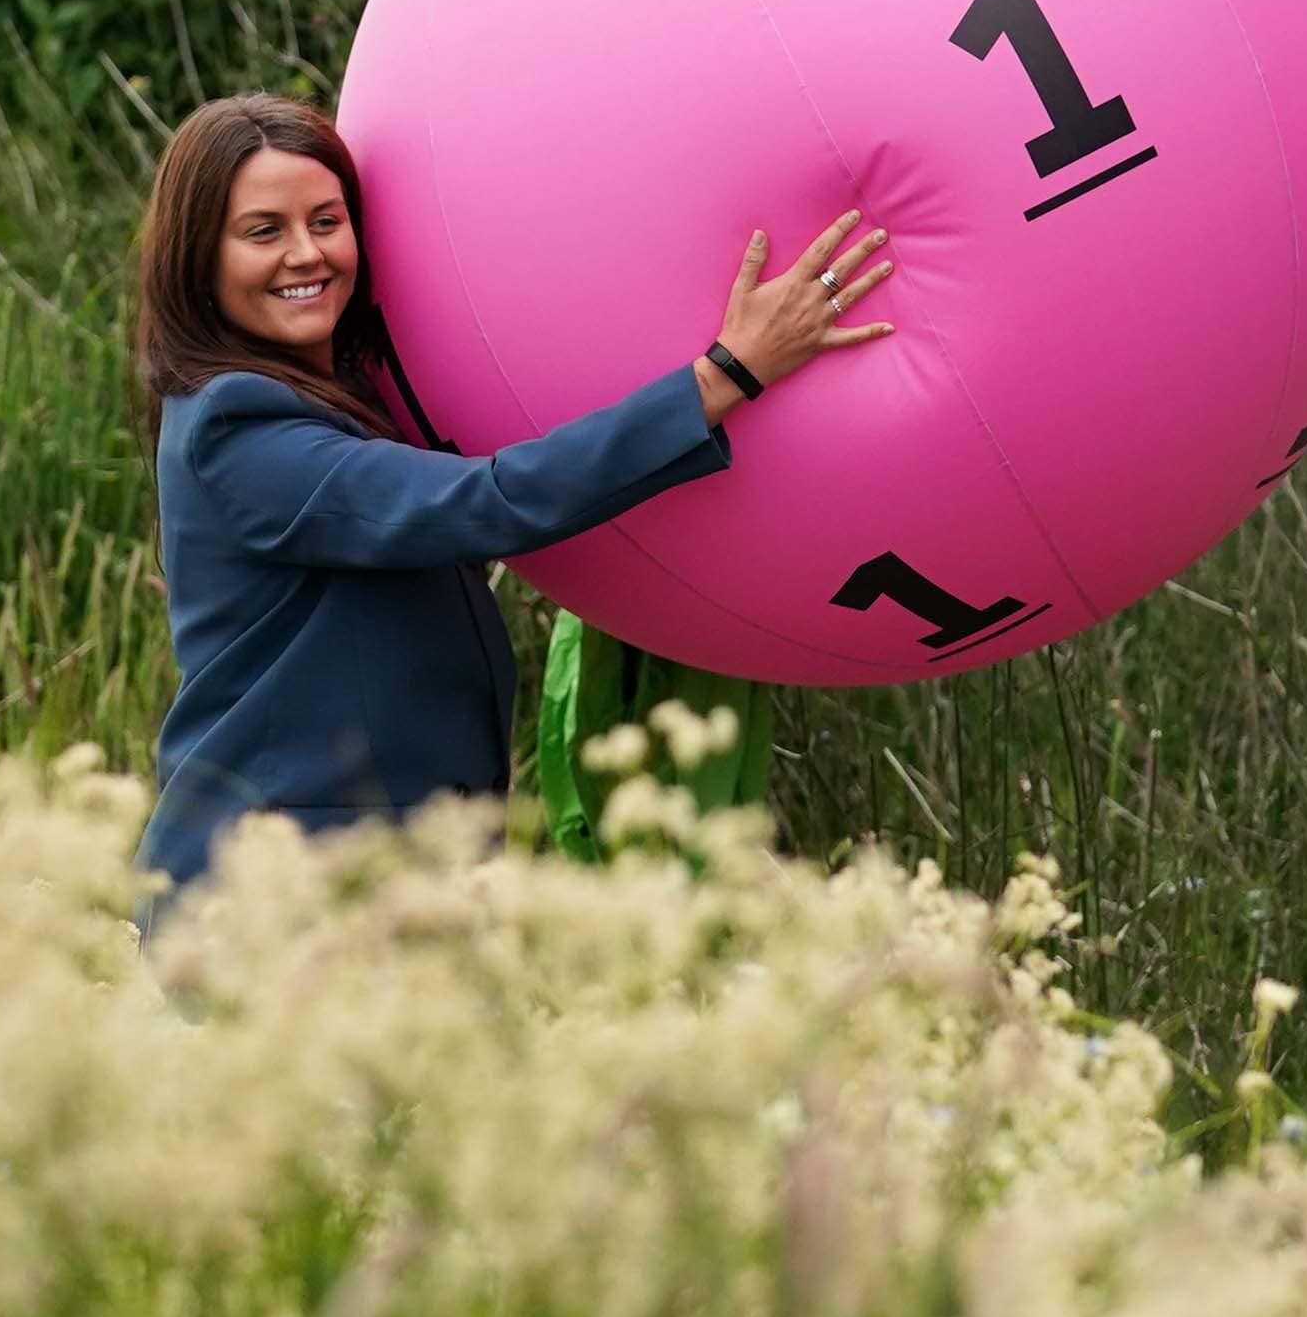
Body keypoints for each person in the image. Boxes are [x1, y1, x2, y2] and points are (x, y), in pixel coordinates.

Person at [131, 91, 889, 897]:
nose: (306, 254)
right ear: (198, 258)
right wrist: (727, 374)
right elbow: (479, 505)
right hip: (278, 893)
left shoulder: (343, 384)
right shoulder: (235, 428)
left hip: (396, 874)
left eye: (326, 221)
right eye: (262, 232)